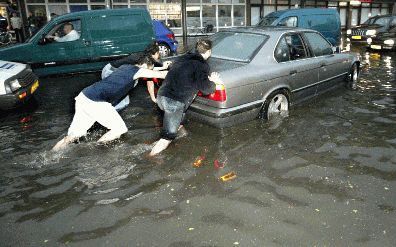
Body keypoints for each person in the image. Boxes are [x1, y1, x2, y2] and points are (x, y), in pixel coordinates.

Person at [52, 55, 168, 152]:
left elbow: (151, 72)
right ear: (144, 66)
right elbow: (160, 75)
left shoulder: (126, 67)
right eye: (149, 69)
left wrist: (163, 66)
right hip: (96, 102)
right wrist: (176, 69)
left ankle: (52, 153)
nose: (147, 73)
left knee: (74, 136)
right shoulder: (138, 71)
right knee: (120, 129)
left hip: (85, 97)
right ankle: (96, 150)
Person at [150, 39, 223, 156]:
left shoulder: (182, 58)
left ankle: (178, 138)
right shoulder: (201, 65)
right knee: (166, 138)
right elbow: (206, 89)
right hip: (174, 102)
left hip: (161, 96)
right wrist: (214, 82)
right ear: (209, 52)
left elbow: (183, 74)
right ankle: (150, 159)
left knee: (178, 123)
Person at [101, 42, 171, 110]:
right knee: (118, 102)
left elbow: (149, 70)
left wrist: (162, 68)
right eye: (159, 54)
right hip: (110, 72)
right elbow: (149, 79)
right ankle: (104, 113)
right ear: (155, 53)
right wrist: (154, 99)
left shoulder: (145, 57)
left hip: (113, 71)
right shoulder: (144, 61)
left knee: (124, 102)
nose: (159, 56)